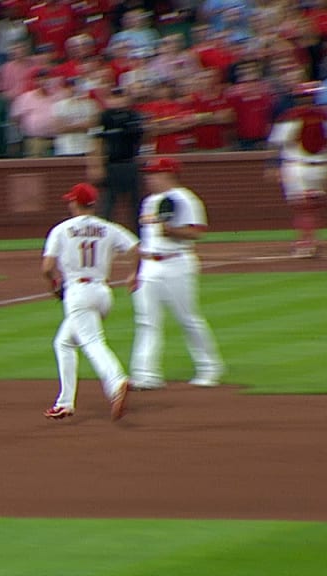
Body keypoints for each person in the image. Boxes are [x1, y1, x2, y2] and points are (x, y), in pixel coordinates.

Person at [41, 182, 138, 422]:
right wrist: (134, 273)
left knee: (93, 342)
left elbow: (47, 267)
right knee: (63, 343)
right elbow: (136, 248)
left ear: (75, 203)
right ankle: (64, 402)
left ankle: (116, 383)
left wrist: (54, 285)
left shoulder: (62, 229)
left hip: (78, 294)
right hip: (102, 293)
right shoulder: (108, 228)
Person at [129, 157, 225, 391]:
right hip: (149, 266)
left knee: (188, 318)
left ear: (168, 175)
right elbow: (146, 239)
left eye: (154, 173)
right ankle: (145, 374)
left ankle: (210, 368)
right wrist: (136, 270)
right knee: (146, 321)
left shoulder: (186, 199)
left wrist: (172, 231)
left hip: (176, 264)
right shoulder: (149, 202)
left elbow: (197, 232)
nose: (148, 177)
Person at [267, 81, 327, 258]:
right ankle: (311, 240)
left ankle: (304, 243)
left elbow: (278, 143)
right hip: (320, 167)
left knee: (302, 206)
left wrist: (272, 166)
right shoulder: (325, 116)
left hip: (297, 166)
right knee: (314, 206)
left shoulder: (290, 116)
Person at [88, 86, 144, 234]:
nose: (118, 100)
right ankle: (102, 236)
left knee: (136, 205)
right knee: (107, 205)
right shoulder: (104, 117)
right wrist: (96, 166)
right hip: (111, 165)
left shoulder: (134, 116)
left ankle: (140, 238)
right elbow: (96, 142)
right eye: (114, 97)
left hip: (130, 163)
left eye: (121, 96)